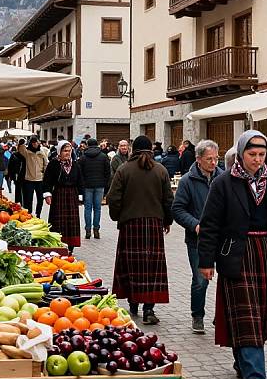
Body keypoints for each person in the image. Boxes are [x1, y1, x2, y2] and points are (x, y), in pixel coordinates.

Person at [198, 130, 267, 379]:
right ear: (240, 153)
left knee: (257, 315)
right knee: (247, 316)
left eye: (262, 154)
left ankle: (243, 360)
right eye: (252, 154)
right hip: (236, 255)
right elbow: (210, 225)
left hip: (266, 255)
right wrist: (206, 261)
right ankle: (256, 377)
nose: (258, 160)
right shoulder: (224, 183)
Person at [107, 135, 173, 324]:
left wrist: (118, 216)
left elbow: (113, 197)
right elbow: (168, 199)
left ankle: (133, 302)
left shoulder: (123, 169)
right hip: (153, 225)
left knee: (131, 265)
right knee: (151, 267)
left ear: (133, 149)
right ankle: (149, 309)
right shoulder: (161, 170)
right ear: (150, 150)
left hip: (130, 224)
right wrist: (167, 220)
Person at [172, 139, 222, 334]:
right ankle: (198, 316)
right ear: (198, 159)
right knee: (201, 279)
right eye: (209, 159)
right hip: (198, 240)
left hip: (223, 239)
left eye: (216, 158)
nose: (213, 163)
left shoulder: (223, 177)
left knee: (226, 278)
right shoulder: (187, 181)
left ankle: (221, 317)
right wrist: (195, 225)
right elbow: (177, 209)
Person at [43, 140, 84, 253]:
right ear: (59, 152)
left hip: (71, 195)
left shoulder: (75, 164)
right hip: (59, 194)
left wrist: (80, 195)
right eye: (65, 151)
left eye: (69, 151)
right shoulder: (53, 164)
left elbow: (80, 180)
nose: (67, 153)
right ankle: (58, 243)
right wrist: (47, 194)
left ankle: (71, 246)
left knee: (71, 221)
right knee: (58, 220)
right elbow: (47, 180)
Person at [78, 138, 110, 239]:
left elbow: (80, 173)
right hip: (100, 186)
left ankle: (88, 230)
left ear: (87, 145)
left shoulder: (83, 157)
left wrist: (82, 185)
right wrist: (104, 183)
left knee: (87, 208)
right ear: (97, 145)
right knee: (97, 209)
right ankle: (96, 230)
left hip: (87, 186)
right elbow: (108, 172)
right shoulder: (103, 156)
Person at [19, 136, 48, 217]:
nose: (35, 144)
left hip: (40, 179)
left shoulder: (42, 152)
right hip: (29, 179)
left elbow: (46, 164)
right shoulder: (27, 152)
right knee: (28, 199)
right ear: (31, 143)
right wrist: (21, 142)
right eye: (33, 142)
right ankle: (29, 213)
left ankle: (38, 213)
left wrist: (45, 176)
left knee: (40, 199)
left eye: (36, 142)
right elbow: (21, 149)